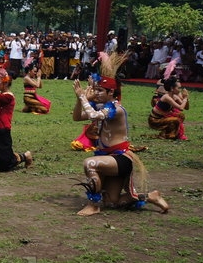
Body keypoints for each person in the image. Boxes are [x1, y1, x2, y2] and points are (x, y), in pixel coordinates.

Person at [71, 53, 170, 216]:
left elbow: (95, 115)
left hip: (120, 158)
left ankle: (93, 206)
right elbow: (77, 117)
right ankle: (151, 196)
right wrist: (79, 99)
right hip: (108, 158)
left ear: (111, 92)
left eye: (100, 90)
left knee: (90, 163)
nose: (96, 93)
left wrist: (84, 97)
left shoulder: (115, 109)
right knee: (112, 202)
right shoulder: (102, 106)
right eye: (95, 89)